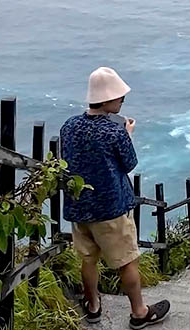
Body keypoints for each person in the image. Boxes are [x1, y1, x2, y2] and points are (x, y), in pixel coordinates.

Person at [61, 67, 170, 328]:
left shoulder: (69, 126)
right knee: (127, 261)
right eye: (120, 97)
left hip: (79, 207)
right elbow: (129, 163)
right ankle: (139, 313)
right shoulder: (114, 131)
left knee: (88, 260)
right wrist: (127, 135)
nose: (122, 101)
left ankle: (93, 306)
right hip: (110, 210)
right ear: (107, 99)